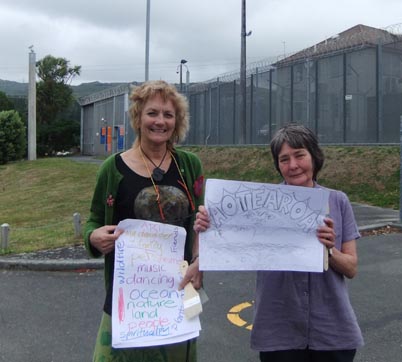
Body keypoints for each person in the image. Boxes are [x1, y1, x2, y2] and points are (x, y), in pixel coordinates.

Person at [194, 124, 364, 362]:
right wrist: (209, 224)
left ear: (314, 157)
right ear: (278, 166)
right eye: (284, 159)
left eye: (299, 155)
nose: (293, 165)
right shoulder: (259, 203)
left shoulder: (338, 201)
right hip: (278, 331)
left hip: (331, 331)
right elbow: (230, 237)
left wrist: (329, 250)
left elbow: (352, 268)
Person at [84, 80, 204, 362]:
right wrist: (92, 237)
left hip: (179, 293)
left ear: (177, 121)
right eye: (152, 113)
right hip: (127, 296)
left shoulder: (190, 165)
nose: (160, 121)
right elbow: (93, 221)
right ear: (138, 116)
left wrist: (199, 260)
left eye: (168, 114)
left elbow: (200, 221)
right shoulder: (112, 169)